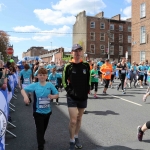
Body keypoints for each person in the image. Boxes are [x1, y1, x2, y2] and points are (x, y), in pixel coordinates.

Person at [21, 68, 58, 150]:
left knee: (44, 128)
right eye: (40, 75)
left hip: (48, 112)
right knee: (40, 130)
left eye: (44, 75)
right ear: (37, 76)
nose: (42, 76)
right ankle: (40, 146)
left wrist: (53, 96)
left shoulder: (50, 85)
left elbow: (57, 94)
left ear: (46, 76)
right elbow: (23, 90)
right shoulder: (35, 85)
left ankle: (41, 138)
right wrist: (25, 97)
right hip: (38, 112)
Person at [62, 44, 90, 150]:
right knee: (73, 120)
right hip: (72, 97)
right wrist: (69, 91)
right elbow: (64, 81)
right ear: (72, 53)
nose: (77, 53)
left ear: (81, 52)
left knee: (79, 118)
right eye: (75, 51)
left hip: (83, 96)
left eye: (79, 51)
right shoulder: (68, 66)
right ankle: (72, 140)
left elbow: (88, 79)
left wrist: (88, 89)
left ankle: (77, 136)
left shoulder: (86, 65)